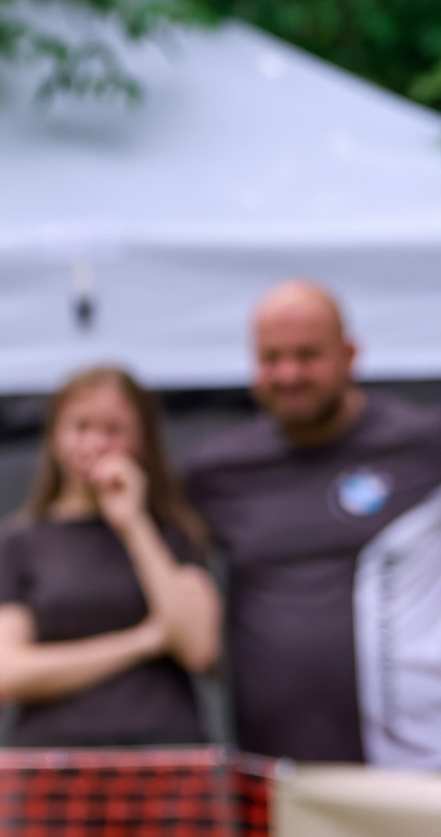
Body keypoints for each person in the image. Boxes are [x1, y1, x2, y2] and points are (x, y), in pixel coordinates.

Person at [184, 280, 441, 764]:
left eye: (307, 355)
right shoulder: (216, 470)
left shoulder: (424, 445)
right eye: (271, 358)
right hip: (278, 774)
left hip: (413, 768)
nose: (289, 374)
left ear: (350, 354)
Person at [0, 366, 219, 743]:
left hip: (163, 761)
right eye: (81, 427)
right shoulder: (17, 541)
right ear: (55, 437)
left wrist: (135, 524)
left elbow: (198, 648)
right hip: (55, 766)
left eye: (113, 430)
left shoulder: (173, 535)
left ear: (142, 441)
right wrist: (145, 641)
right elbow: (6, 673)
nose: (94, 444)